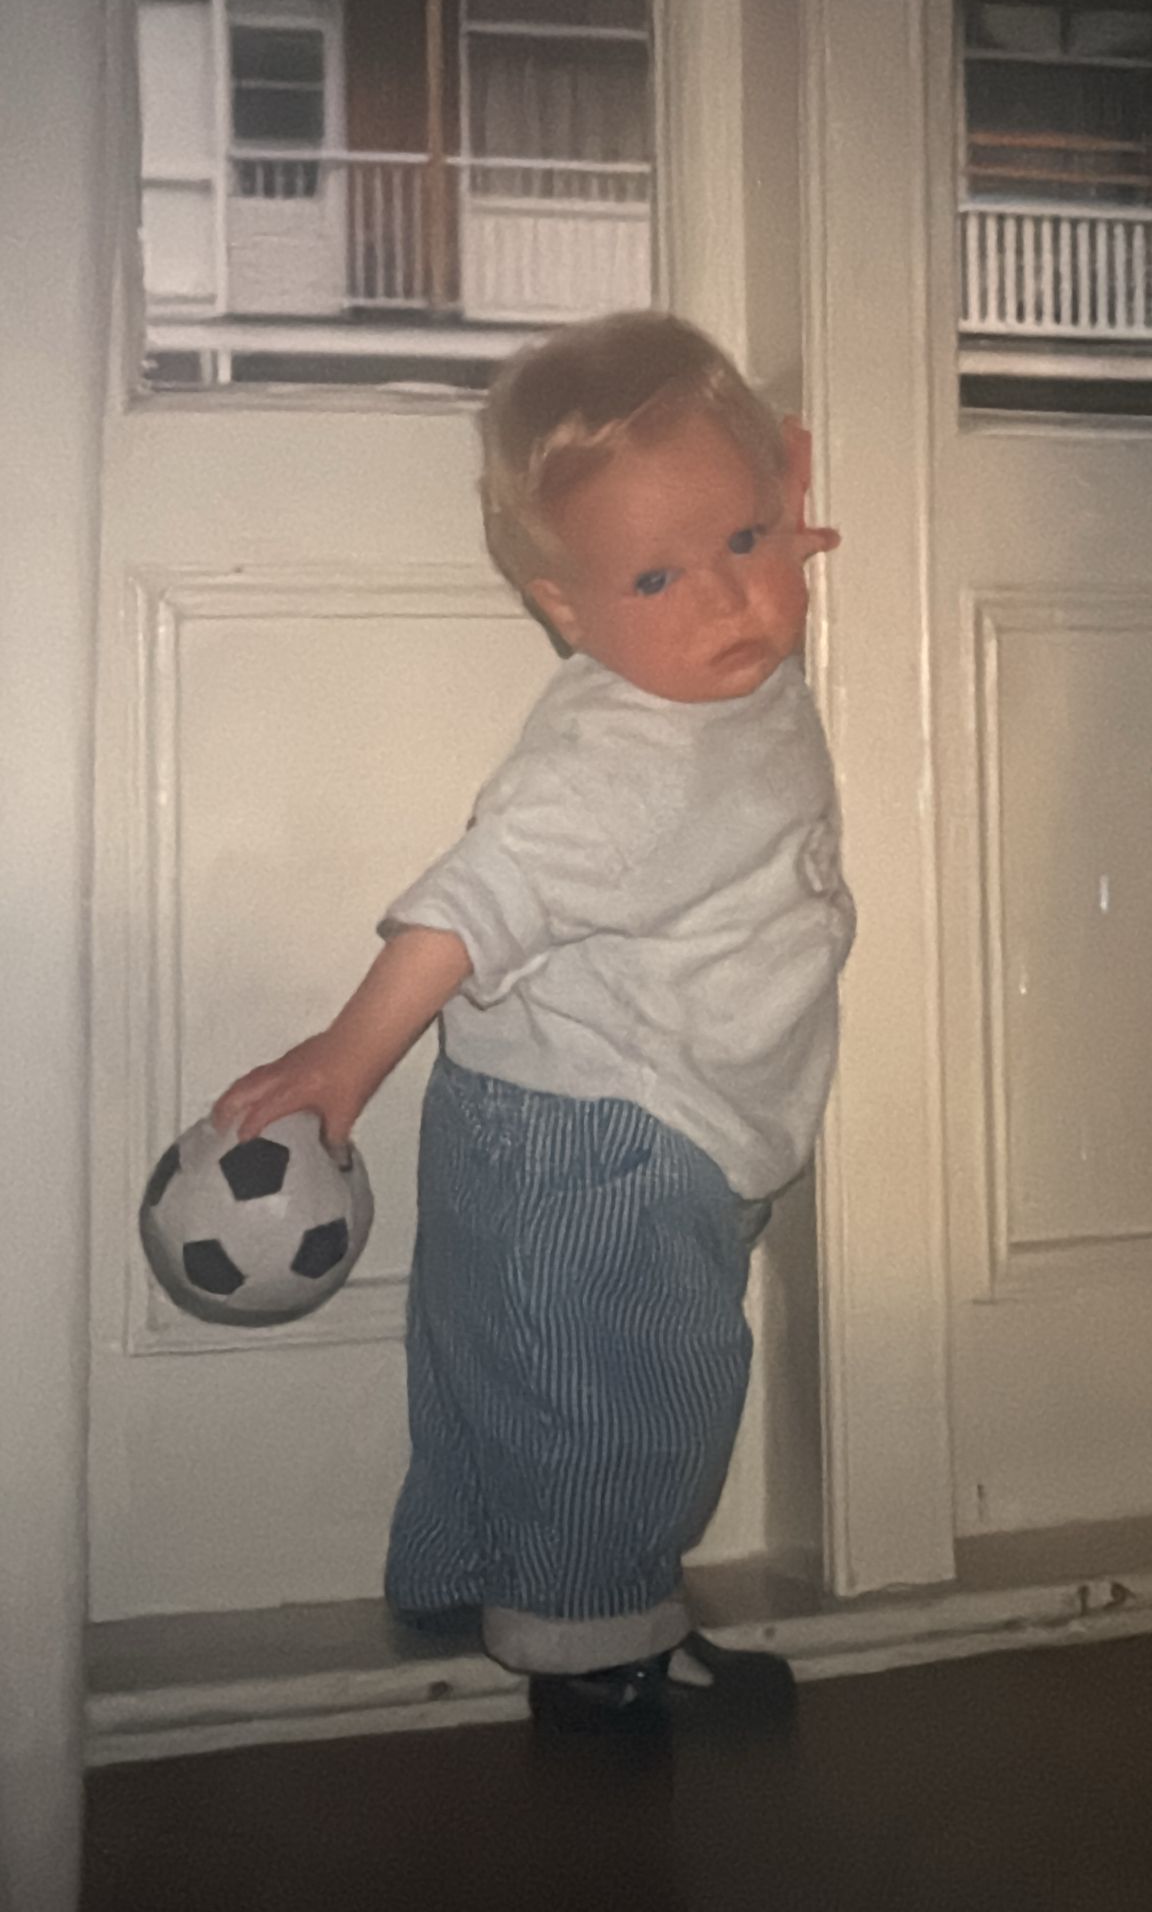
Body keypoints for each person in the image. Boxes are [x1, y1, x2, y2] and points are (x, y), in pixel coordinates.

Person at [213, 310, 854, 1737]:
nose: (727, 603)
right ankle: (594, 1657)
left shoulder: (709, 661)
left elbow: (726, 534)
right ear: (568, 610)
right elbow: (476, 898)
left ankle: (468, 1573)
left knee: (505, 1360)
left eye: (748, 542)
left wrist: (772, 502)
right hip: (612, 1138)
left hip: (560, 1115)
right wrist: (345, 1058)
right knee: (626, 1396)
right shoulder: (624, 751)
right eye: (659, 575)